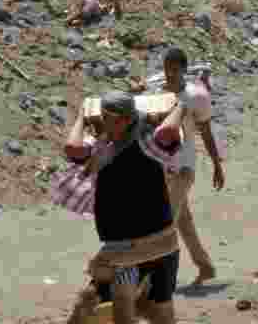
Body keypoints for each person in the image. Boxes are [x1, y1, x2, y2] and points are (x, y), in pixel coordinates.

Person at [63, 91, 186, 324]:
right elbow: (72, 148)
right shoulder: (101, 146)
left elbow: (169, 131)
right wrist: (82, 115)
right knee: (102, 308)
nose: (104, 122)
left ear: (128, 119)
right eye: (103, 116)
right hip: (128, 250)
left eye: (110, 117)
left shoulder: (147, 140)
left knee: (154, 314)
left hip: (151, 247)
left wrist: (180, 106)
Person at [161, 47, 224, 286]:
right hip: (164, 168)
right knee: (183, 222)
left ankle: (155, 278)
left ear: (184, 70)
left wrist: (217, 165)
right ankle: (205, 267)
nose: (169, 73)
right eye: (167, 68)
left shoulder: (196, 96)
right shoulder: (159, 95)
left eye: (175, 69)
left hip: (184, 168)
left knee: (164, 224)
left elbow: (206, 133)